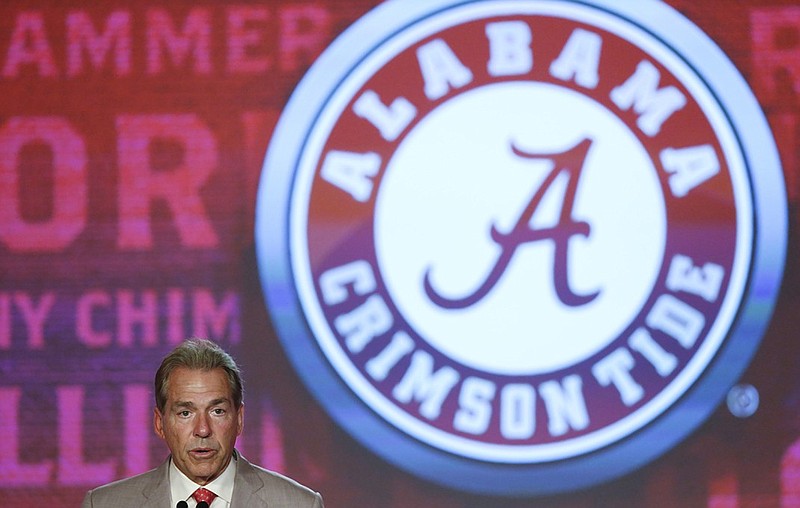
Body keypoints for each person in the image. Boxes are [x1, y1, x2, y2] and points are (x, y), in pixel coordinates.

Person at [82, 338, 324, 507]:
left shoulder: (299, 504)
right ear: (159, 423)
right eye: (185, 413)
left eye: (217, 411)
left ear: (239, 419)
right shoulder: (104, 504)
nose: (202, 429)